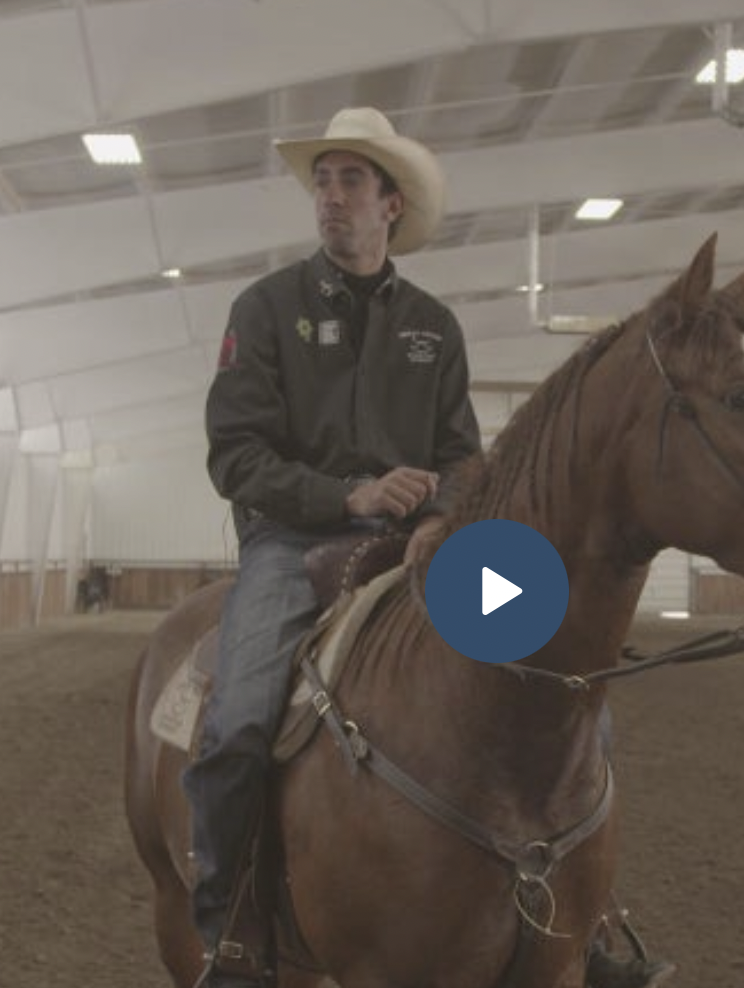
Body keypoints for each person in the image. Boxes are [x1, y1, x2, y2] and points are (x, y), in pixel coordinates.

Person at [186, 106, 672, 988]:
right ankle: (230, 933)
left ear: (391, 205)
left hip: (425, 540)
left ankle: (591, 931)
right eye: (323, 181)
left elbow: (460, 454)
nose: (331, 199)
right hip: (292, 542)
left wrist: (445, 513)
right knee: (238, 722)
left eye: (351, 182)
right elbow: (236, 455)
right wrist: (347, 493)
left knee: (580, 699)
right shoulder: (264, 311)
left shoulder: (432, 327)